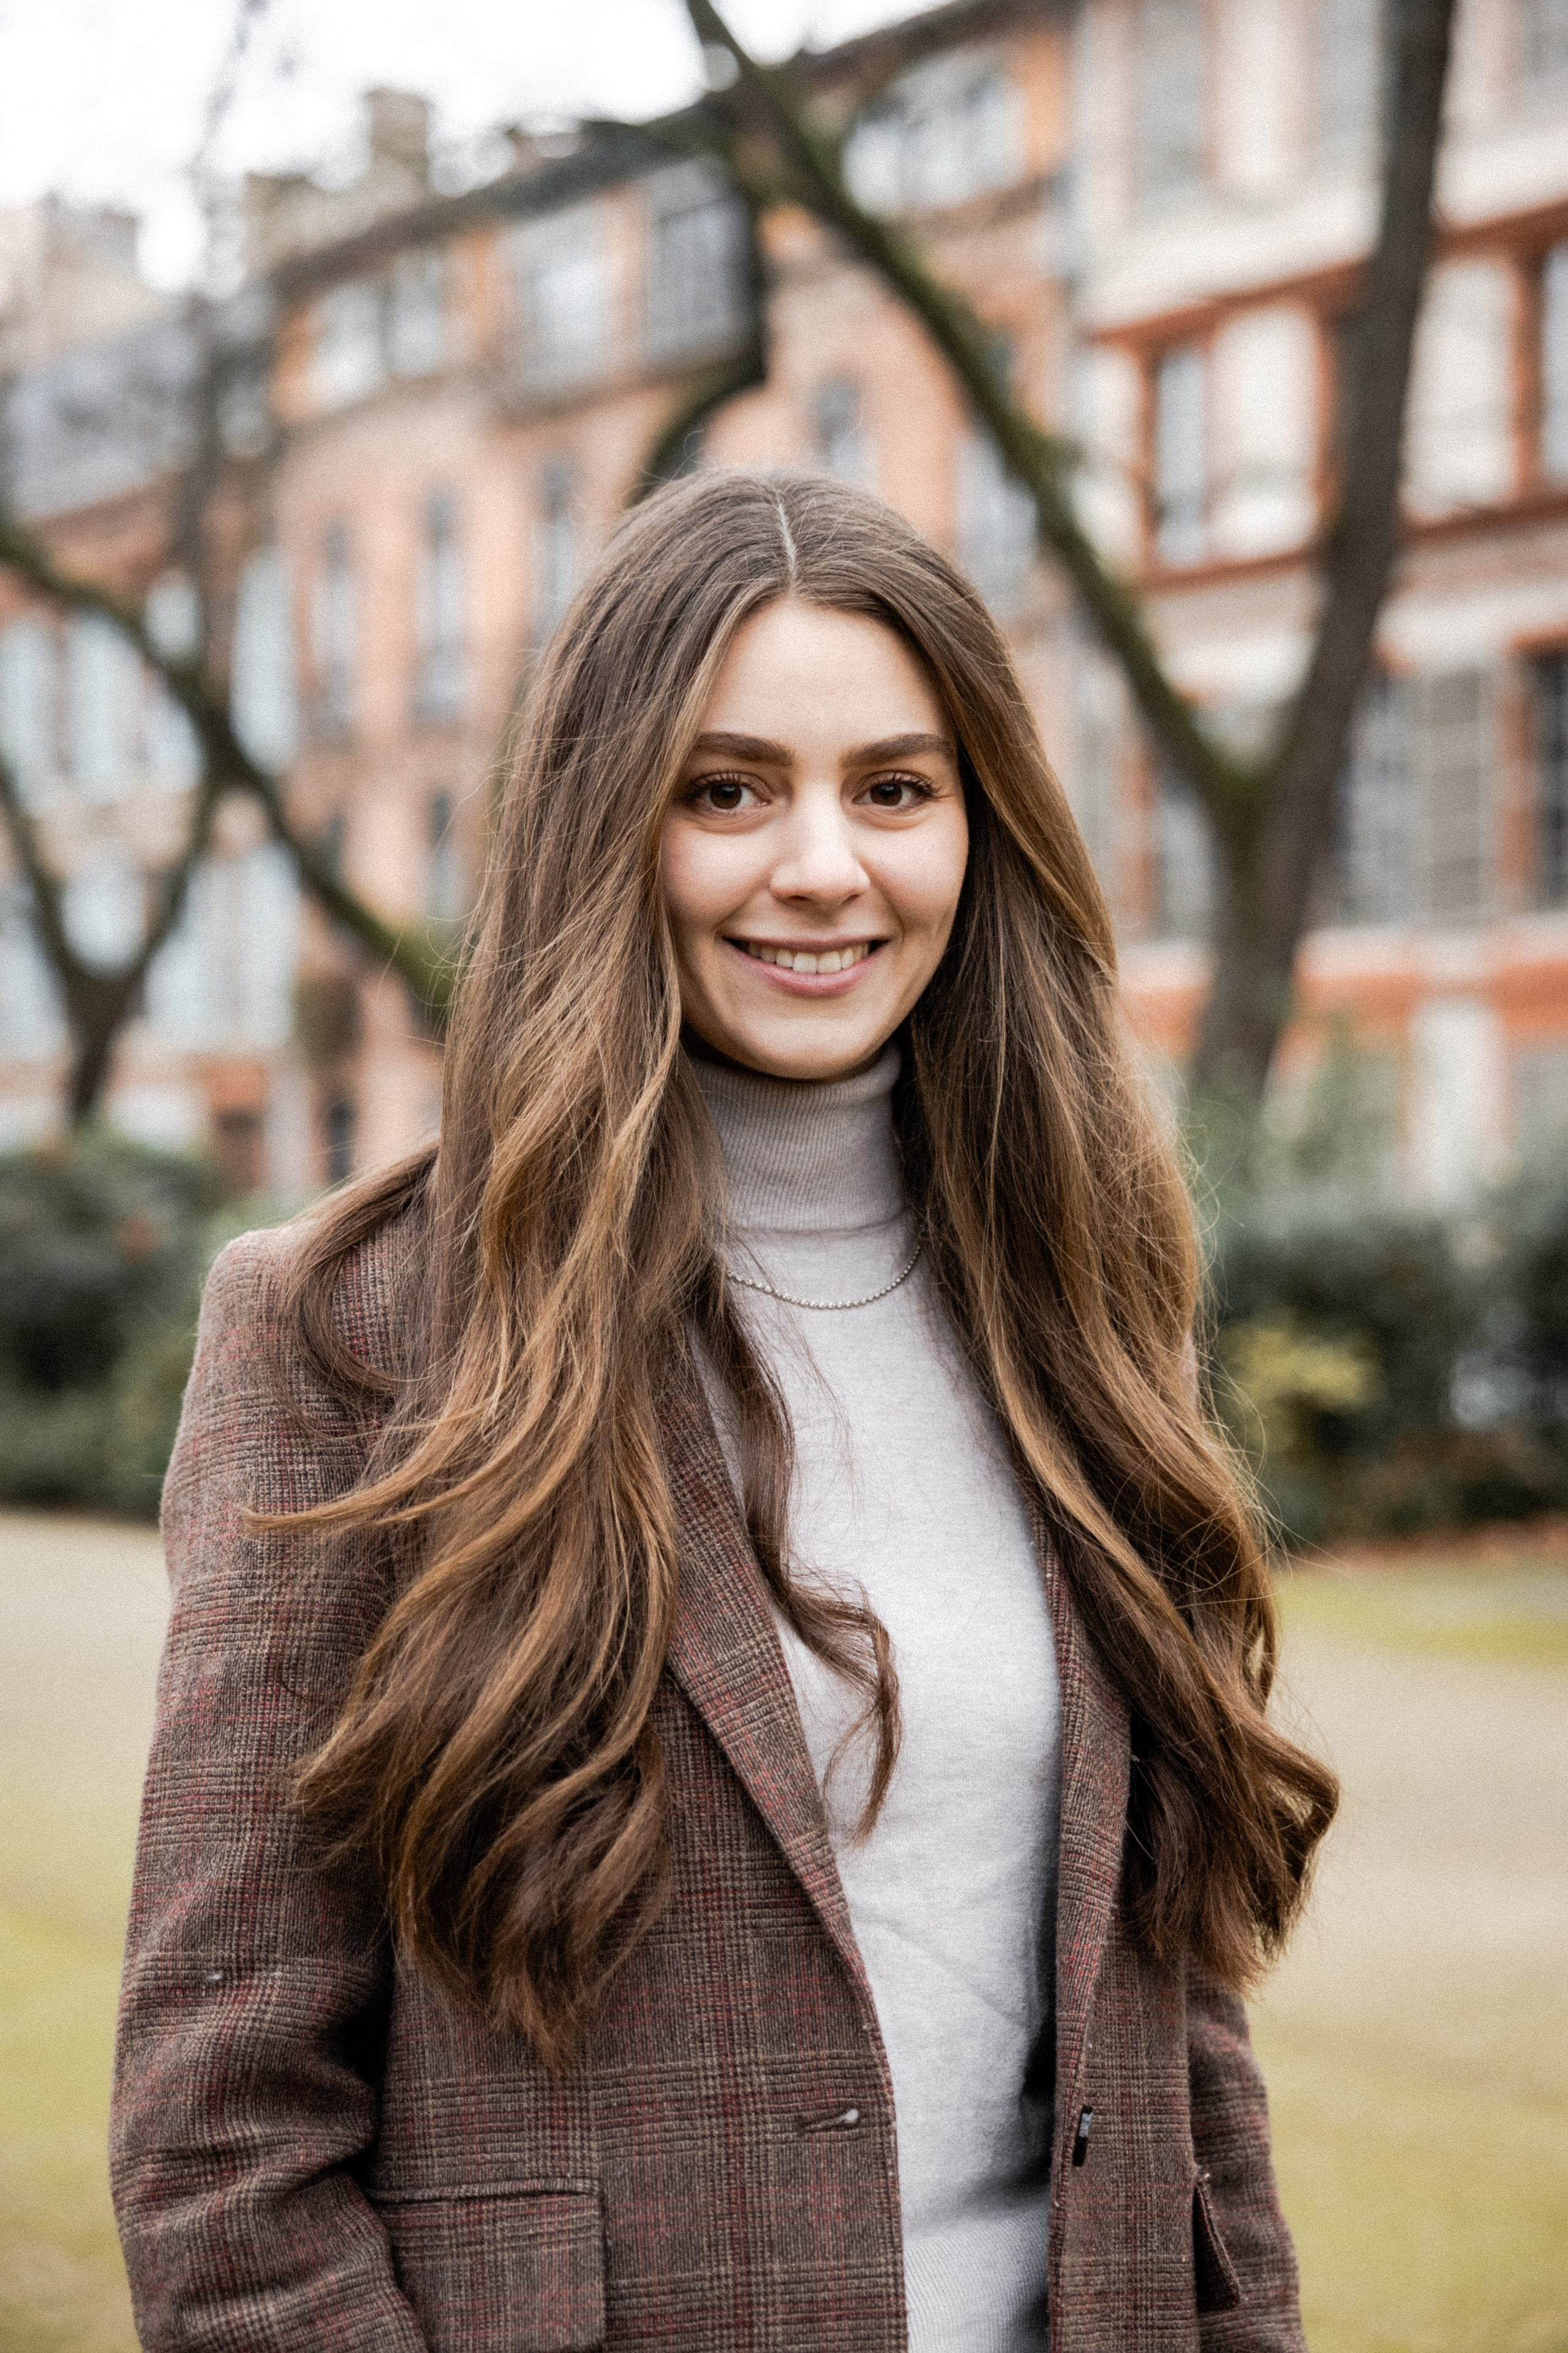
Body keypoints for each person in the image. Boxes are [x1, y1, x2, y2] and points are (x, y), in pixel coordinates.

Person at [111, 470, 1336, 2353]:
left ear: (980, 826)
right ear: (614, 823)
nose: (825, 866)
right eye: (730, 788)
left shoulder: (1083, 1307)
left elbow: (1177, 2014)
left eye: (897, 789)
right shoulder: (352, 1330)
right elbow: (224, 2143)